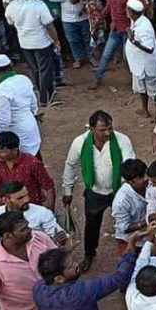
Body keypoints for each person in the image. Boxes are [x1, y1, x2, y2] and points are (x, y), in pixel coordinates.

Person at [62, 110, 137, 272]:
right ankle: (89, 255)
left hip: (119, 191)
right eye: (103, 130)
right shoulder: (80, 143)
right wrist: (67, 190)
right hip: (95, 192)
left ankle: (130, 255)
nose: (108, 133)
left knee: (126, 222)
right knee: (92, 226)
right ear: (92, 129)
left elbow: (130, 164)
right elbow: (70, 165)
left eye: (110, 128)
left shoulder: (122, 140)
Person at [33, 228, 144, 310]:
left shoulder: (38, 289)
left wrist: (65, 252)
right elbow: (120, 278)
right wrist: (131, 243)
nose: (77, 264)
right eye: (71, 265)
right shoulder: (79, 293)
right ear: (59, 278)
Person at [0, 210, 61, 310]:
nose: (29, 230)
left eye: (27, 226)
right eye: (23, 230)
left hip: (56, 304)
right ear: (7, 236)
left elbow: (58, 261)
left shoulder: (39, 238)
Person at [5, 0, 60, 106]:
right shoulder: (38, 4)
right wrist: (56, 41)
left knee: (35, 69)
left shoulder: (11, 6)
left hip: (24, 42)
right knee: (44, 69)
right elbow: (49, 25)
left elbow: (10, 22)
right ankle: (45, 97)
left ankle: (45, 94)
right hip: (41, 42)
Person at [0, 180, 64, 241]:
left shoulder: (42, 213)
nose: (26, 200)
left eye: (26, 195)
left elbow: (59, 237)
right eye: (20, 198)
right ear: (6, 199)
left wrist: (62, 240)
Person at [124, 0, 156, 119]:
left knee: (154, 91)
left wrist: (133, 40)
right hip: (138, 65)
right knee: (141, 88)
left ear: (132, 12)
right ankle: (145, 110)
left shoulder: (144, 26)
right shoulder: (134, 20)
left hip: (147, 65)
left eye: (127, 9)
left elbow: (149, 48)